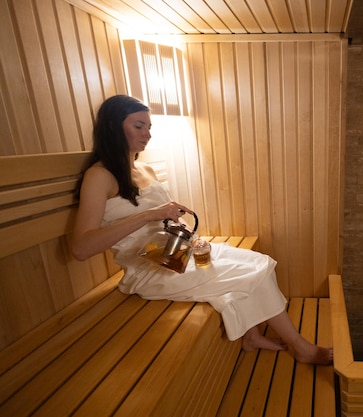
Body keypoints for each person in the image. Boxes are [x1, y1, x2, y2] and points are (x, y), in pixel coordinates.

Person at [71, 95, 332, 365]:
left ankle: (251, 336)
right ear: (113, 126)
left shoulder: (143, 167)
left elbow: (162, 220)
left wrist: (188, 234)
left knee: (259, 261)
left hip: (175, 252)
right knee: (250, 273)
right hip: (151, 269)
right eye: (139, 126)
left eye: (149, 127)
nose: (147, 134)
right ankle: (302, 349)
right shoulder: (99, 176)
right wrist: (153, 214)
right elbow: (81, 248)